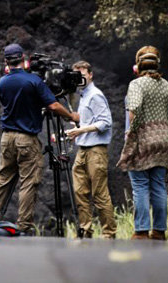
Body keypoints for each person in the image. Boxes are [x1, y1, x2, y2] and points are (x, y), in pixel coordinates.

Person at [0, 43, 78, 235]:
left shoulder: (2, 82)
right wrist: (71, 116)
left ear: (6, 61)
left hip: (7, 138)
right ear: (23, 59)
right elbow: (53, 106)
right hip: (26, 138)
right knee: (28, 182)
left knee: (2, 178)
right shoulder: (33, 81)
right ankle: (24, 225)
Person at [117, 45, 168, 241]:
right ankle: (159, 230)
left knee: (140, 185)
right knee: (158, 185)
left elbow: (132, 109)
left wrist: (132, 133)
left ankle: (141, 231)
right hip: (163, 140)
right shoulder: (166, 85)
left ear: (138, 66)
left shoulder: (137, 84)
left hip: (143, 139)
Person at [65, 60, 117, 239]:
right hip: (83, 149)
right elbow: (90, 120)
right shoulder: (84, 95)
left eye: (83, 73)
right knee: (80, 192)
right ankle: (85, 231)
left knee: (99, 193)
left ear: (90, 74)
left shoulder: (95, 95)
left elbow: (105, 122)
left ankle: (109, 233)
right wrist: (77, 126)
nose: (80, 77)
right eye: (76, 74)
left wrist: (81, 130)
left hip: (96, 150)